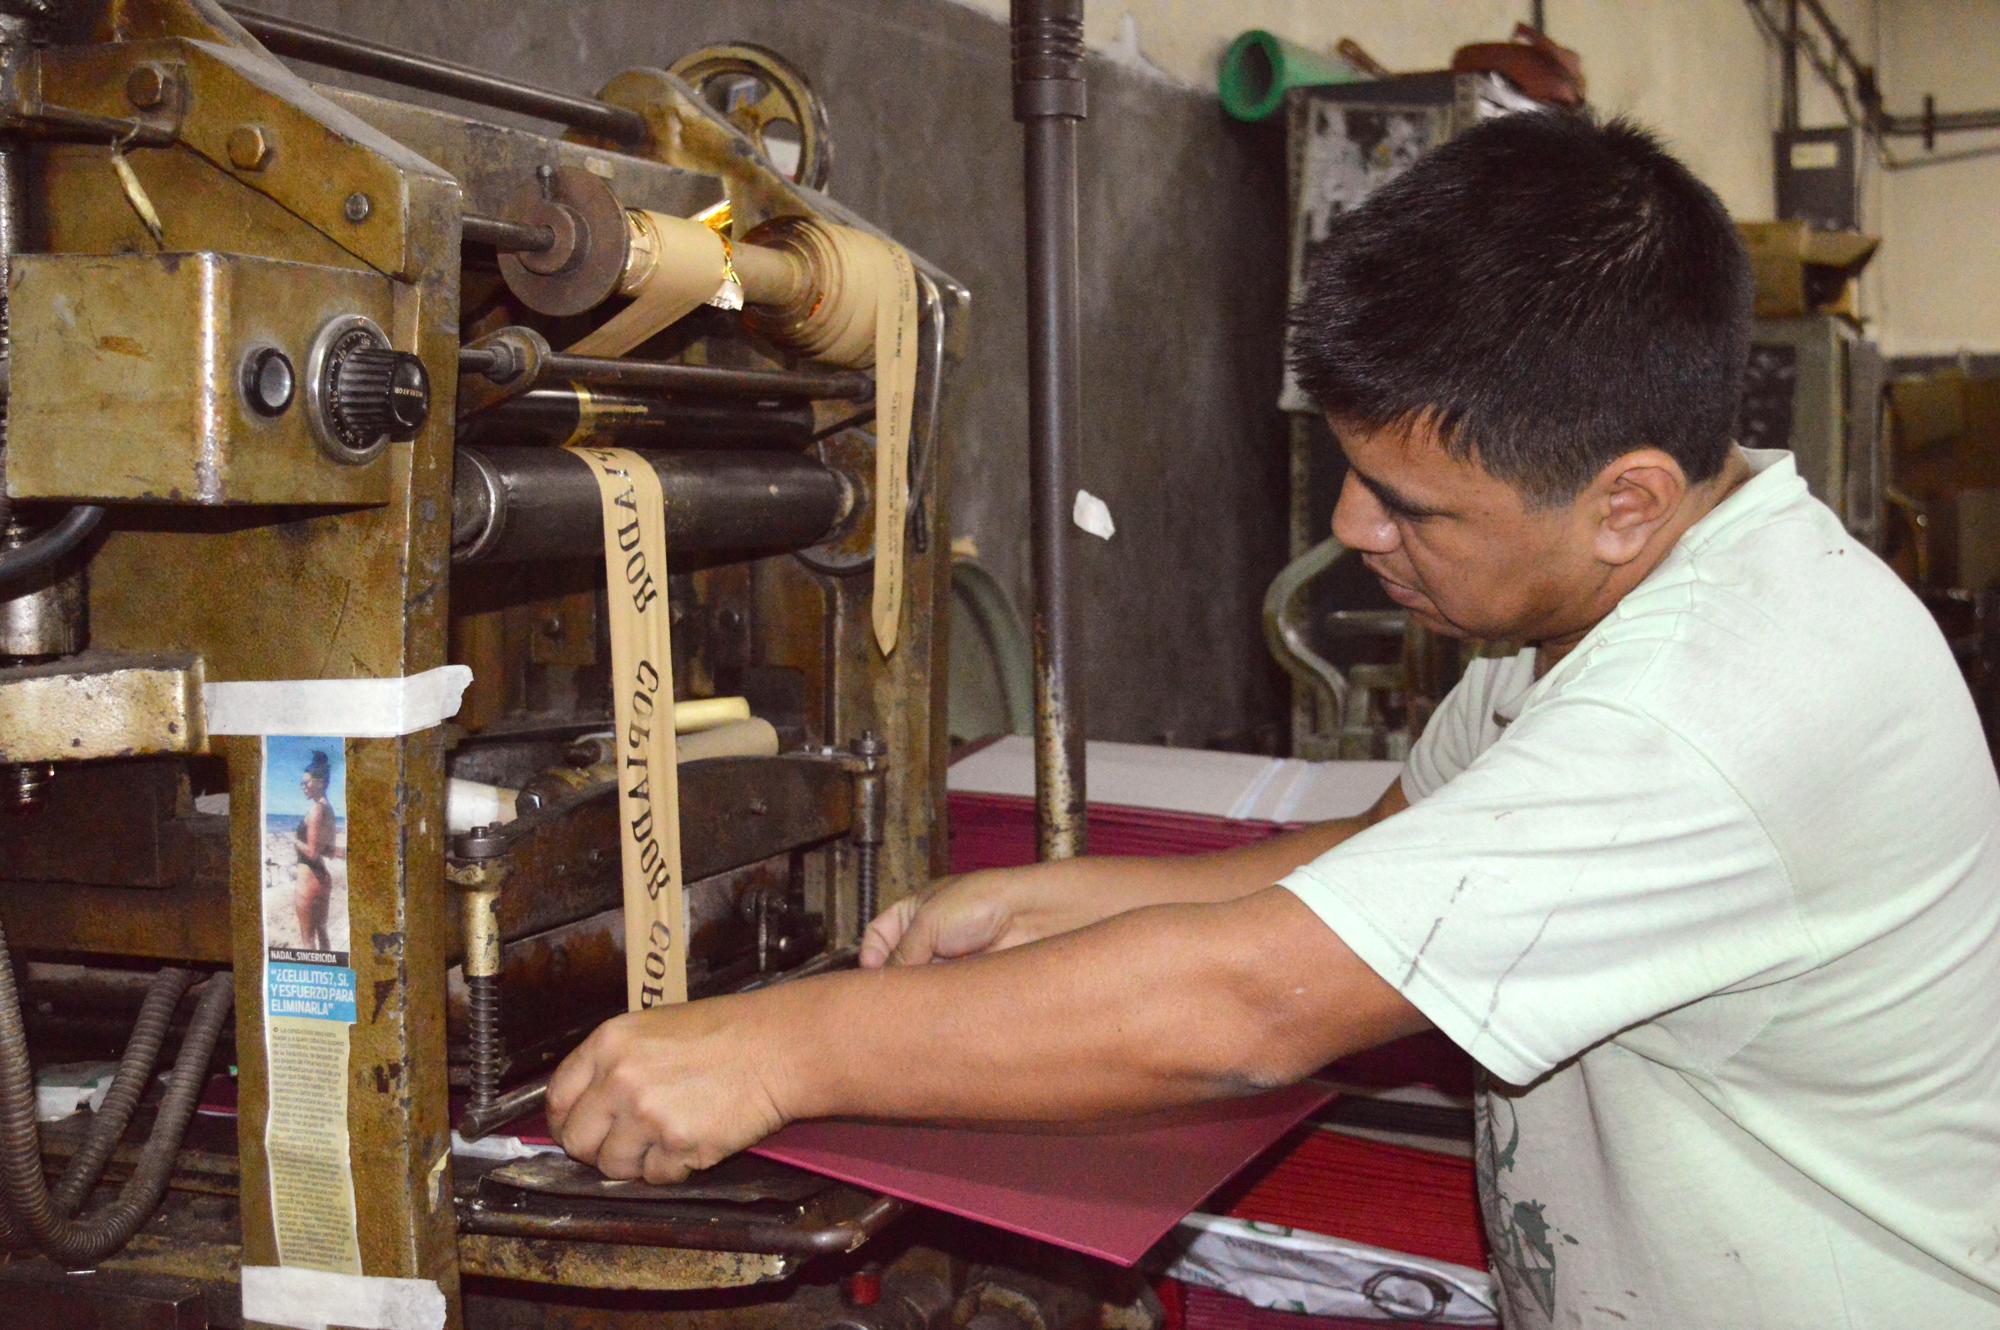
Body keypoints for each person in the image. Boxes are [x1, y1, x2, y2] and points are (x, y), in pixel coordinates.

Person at [547, 112, 2000, 1327]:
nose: (1357, 525)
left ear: (1623, 498)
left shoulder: (1712, 709)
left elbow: (1256, 1006)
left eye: (1415, 503)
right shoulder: (1617, 587)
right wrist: (1057, 902)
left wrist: (770, 1049)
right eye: (1352, 470)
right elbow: (1392, 853)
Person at [293, 749, 336, 954]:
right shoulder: (328, 809)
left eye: (306, 782)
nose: (303, 787)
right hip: (322, 878)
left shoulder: (316, 810)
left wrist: (294, 840)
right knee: (322, 932)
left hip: (308, 879)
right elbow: (325, 849)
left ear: (319, 782)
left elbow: (311, 853)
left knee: (307, 941)